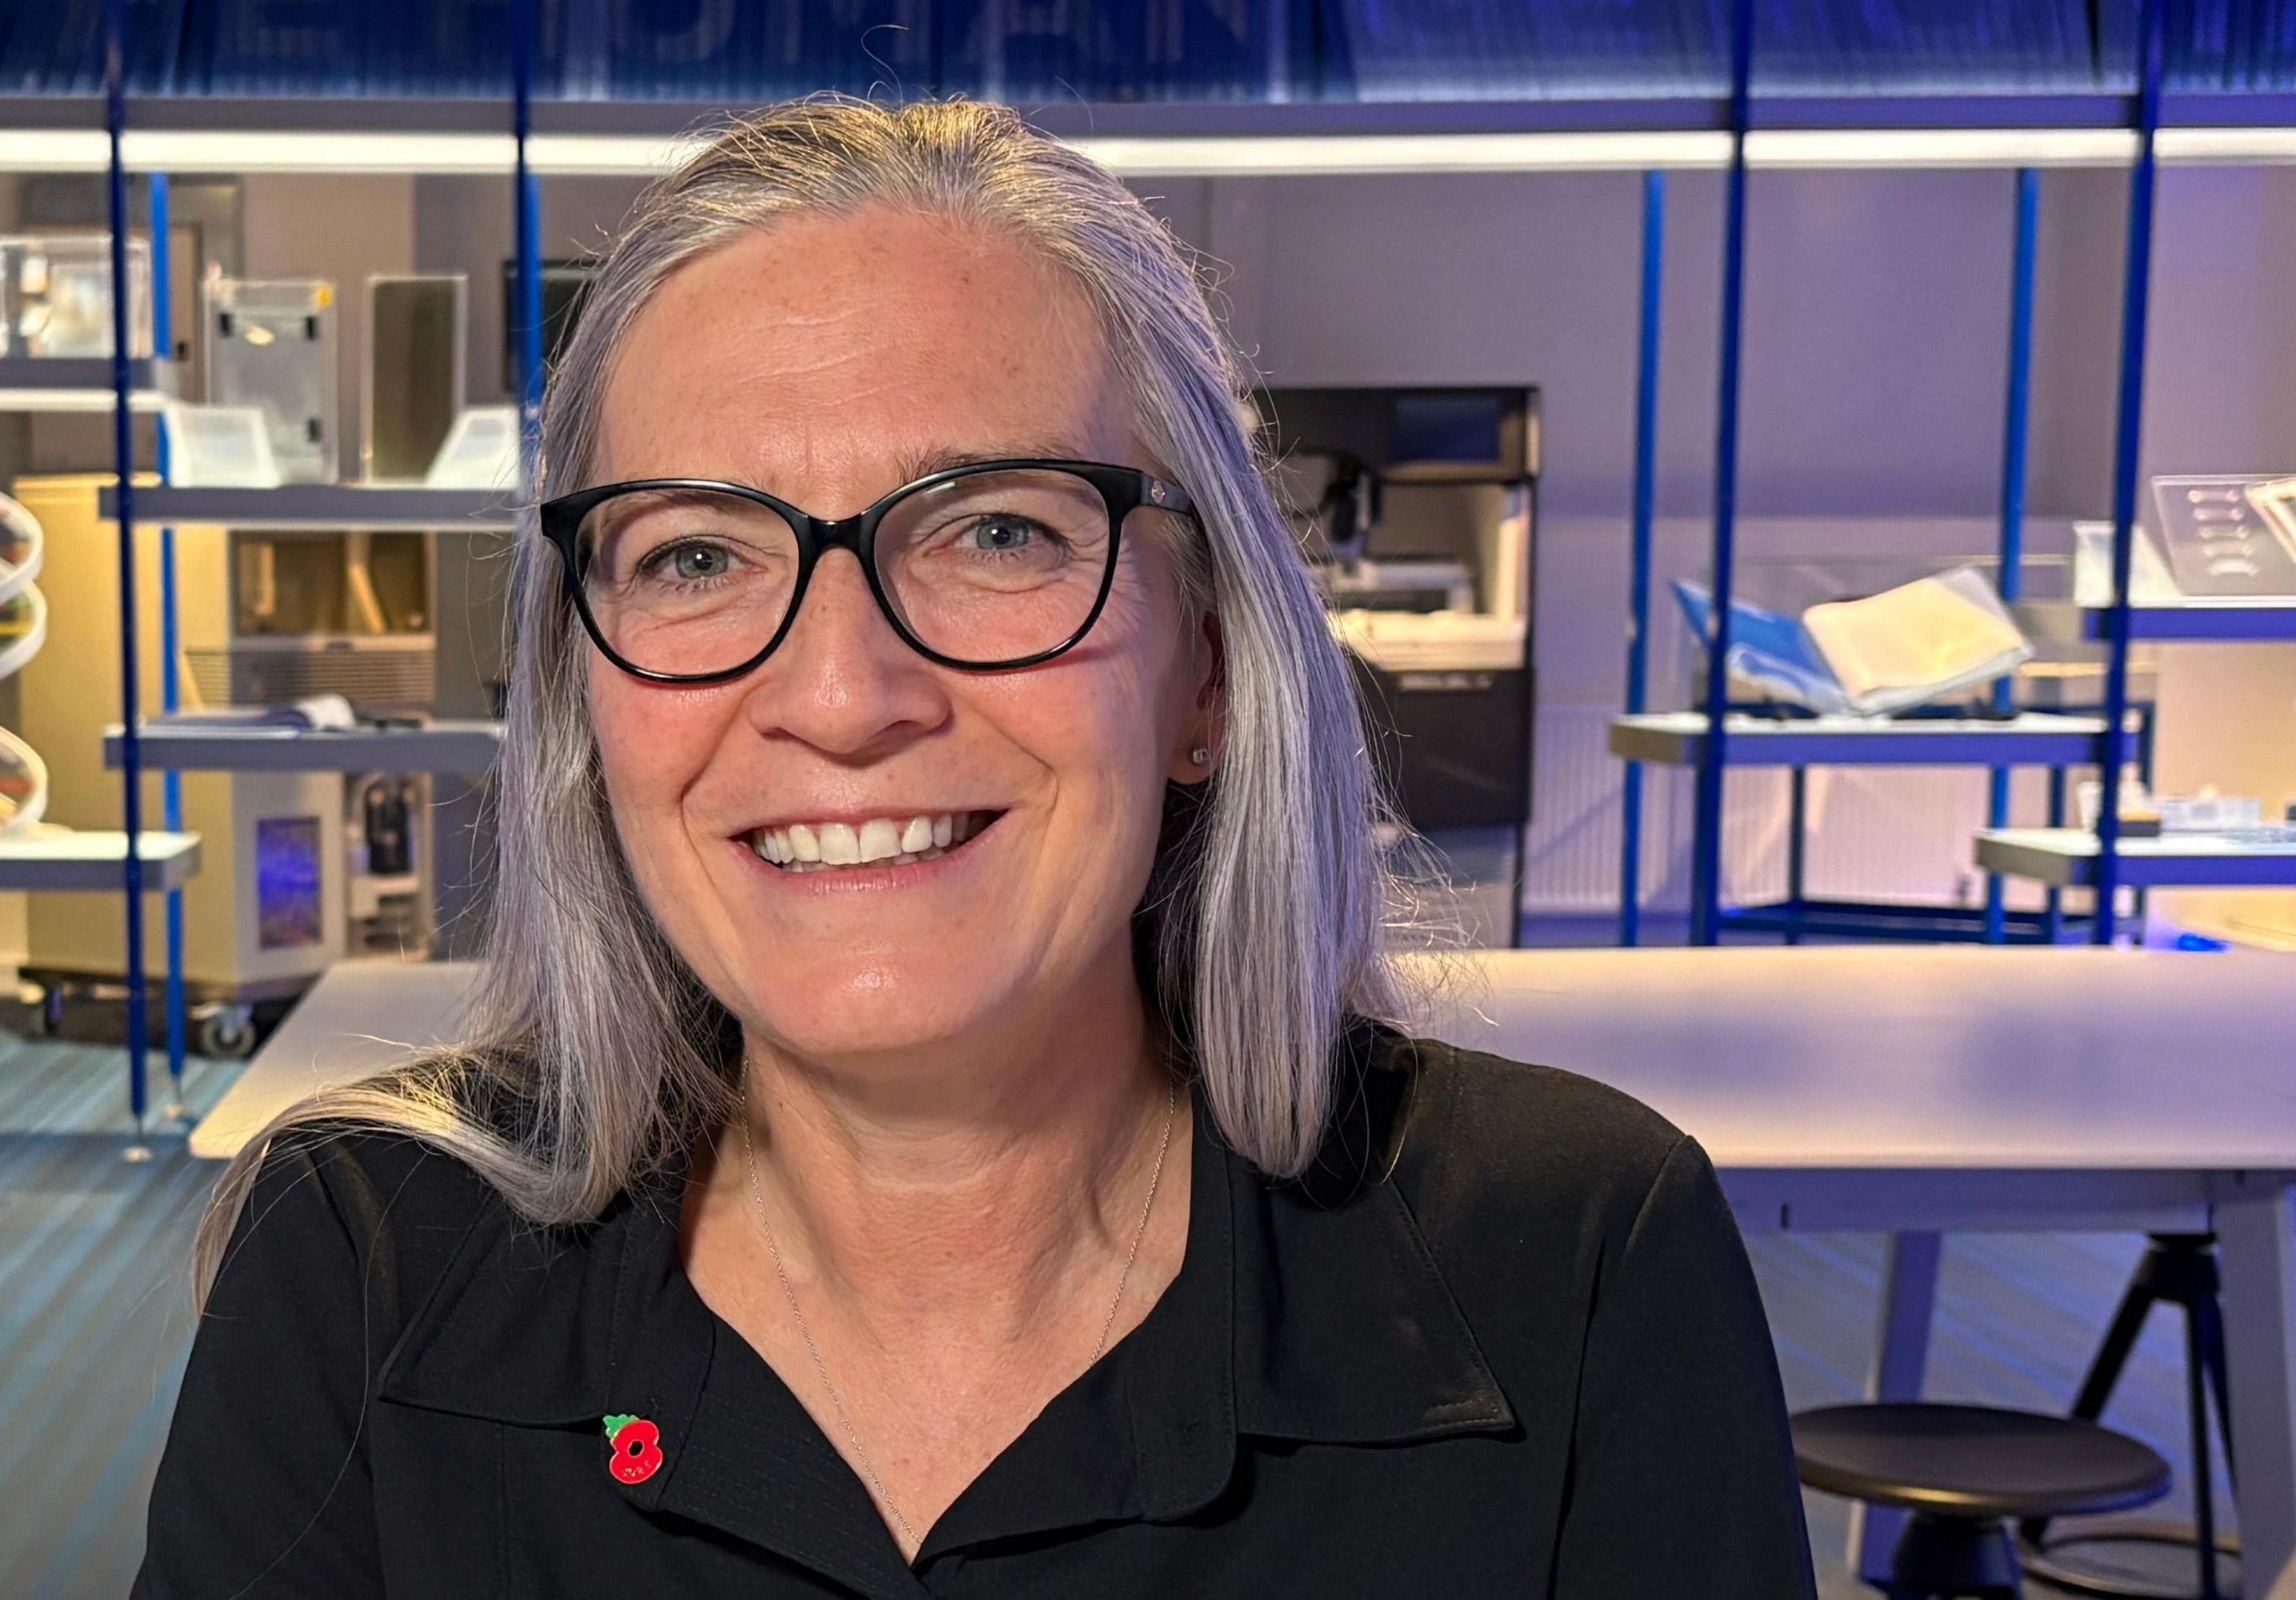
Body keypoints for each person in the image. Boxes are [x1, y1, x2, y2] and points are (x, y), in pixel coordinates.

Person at [136, 95, 1814, 1598]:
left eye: (997, 532)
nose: (845, 694)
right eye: (697, 557)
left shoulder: (1575, 1260)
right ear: (587, 693)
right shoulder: (367, 1257)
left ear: (1209, 675)